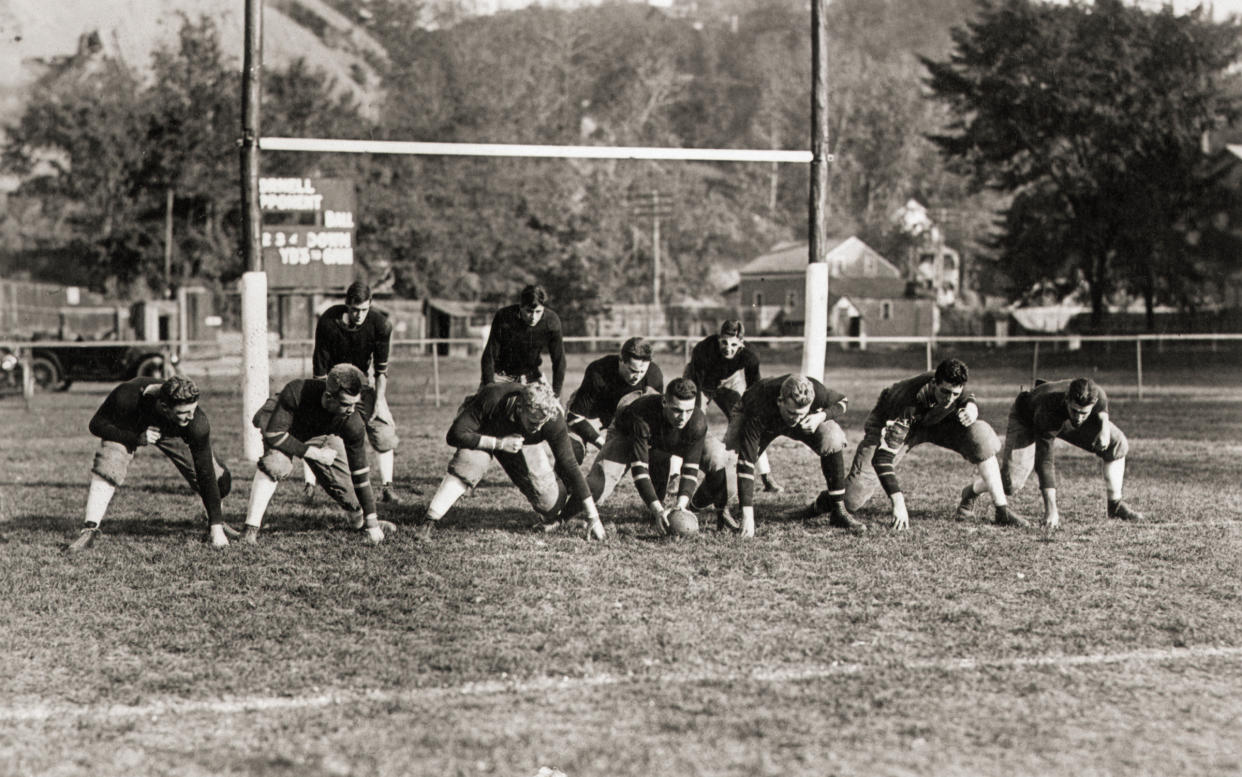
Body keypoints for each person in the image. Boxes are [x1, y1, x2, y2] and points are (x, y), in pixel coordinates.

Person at [843, 358, 1025, 530]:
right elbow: (882, 458)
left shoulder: (952, 390)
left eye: (955, 394)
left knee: (980, 435)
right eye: (945, 392)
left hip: (935, 421)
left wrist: (971, 406)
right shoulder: (909, 402)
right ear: (934, 383)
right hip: (896, 422)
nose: (949, 399)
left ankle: (1001, 510)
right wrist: (898, 503)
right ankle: (830, 501)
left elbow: (965, 394)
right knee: (851, 499)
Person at [415, 382, 605, 540]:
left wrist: (593, 517)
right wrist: (498, 443)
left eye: (542, 423)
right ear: (520, 407)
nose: (537, 428)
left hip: (518, 442)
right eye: (533, 422)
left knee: (549, 504)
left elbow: (569, 464)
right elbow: (455, 434)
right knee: (469, 465)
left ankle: (554, 489)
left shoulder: (551, 418)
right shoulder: (493, 397)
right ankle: (429, 522)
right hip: (484, 430)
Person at [67, 375, 234, 552]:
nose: (191, 417)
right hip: (131, 425)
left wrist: (217, 528)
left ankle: (213, 521)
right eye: (184, 412)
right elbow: (96, 424)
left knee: (219, 480)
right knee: (109, 462)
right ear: (164, 407)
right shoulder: (127, 396)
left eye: (193, 409)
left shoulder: (195, 422)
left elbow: (205, 471)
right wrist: (134, 438)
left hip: (170, 431)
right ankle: (90, 529)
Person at [957, 377, 1143, 530]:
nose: (1078, 417)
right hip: (1027, 418)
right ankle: (970, 492)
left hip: (1062, 417)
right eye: (1075, 411)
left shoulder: (1095, 394)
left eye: (1084, 413)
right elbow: (1044, 461)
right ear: (1067, 400)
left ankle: (1115, 505)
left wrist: (1103, 428)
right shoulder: (1049, 411)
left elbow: (1101, 402)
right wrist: (1051, 510)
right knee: (1011, 483)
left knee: (1117, 442)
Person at [243, 364, 395, 545]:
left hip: (317, 433)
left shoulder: (352, 421)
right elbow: (274, 434)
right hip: (285, 427)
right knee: (276, 464)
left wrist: (372, 523)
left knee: (348, 488)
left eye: (355, 404)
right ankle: (250, 529)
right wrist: (313, 453)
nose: (351, 410)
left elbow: (360, 473)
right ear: (328, 397)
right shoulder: (296, 391)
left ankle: (361, 522)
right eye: (346, 404)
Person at [568, 377, 736, 533]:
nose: (683, 417)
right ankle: (561, 516)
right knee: (598, 485)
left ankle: (692, 507)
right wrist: (657, 509)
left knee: (720, 462)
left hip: (669, 438)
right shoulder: (641, 416)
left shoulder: (696, 421)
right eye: (677, 410)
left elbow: (690, 468)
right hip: (629, 432)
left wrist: (681, 505)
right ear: (664, 401)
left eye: (688, 410)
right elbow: (640, 471)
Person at [300, 281, 411, 503]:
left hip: (361, 384)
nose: (359, 315)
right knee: (315, 427)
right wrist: (325, 397)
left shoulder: (380, 325)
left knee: (383, 430)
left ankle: (387, 487)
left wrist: (379, 402)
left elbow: (381, 370)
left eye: (364, 310)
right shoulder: (329, 321)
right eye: (354, 309)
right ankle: (309, 486)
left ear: (370, 304)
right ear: (346, 305)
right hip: (332, 382)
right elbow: (319, 367)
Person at [726, 374, 863, 538]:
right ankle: (716, 508)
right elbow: (746, 461)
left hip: (793, 416)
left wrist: (820, 416)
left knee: (832, 437)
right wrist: (748, 516)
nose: (796, 419)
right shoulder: (760, 404)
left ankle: (838, 508)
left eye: (801, 414)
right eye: (792, 413)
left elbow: (843, 401)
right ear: (780, 401)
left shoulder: (815, 391)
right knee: (729, 462)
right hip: (761, 417)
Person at [685, 320, 782, 493]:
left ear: (741, 344)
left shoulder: (750, 356)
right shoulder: (703, 349)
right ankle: (676, 475)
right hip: (702, 381)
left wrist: (754, 412)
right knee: (690, 420)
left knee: (748, 421)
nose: (728, 348)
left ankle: (766, 476)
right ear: (718, 339)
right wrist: (696, 410)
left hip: (730, 381)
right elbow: (697, 387)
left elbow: (756, 390)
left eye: (733, 344)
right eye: (724, 342)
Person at [565, 336, 664, 463]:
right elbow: (574, 416)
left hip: (622, 420)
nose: (637, 377)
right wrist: (601, 443)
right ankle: (559, 481)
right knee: (573, 450)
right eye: (633, 371)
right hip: (591, 417)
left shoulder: (653, 375)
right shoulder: (598, 371)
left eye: (642, 372)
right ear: (621, 360)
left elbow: (656, 418)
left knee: (659, 454)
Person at [480, 284, 566, 397]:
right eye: (529, 311)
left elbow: (559, 361)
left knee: (553, 411)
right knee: (483, 408)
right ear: (520, 306)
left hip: (531, 377)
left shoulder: (551, 321)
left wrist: (556, 394)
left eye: (538, 312)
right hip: (501, 376)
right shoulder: (504, 317)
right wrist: (489, 386)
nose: (533, 317)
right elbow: (489, 354)